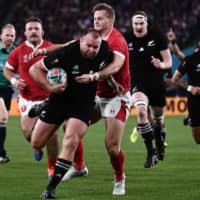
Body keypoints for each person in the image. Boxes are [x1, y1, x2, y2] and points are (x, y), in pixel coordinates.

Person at [29, 28, 115, 199]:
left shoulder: (105, 50)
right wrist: (50, 88)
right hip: (58, 100)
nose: (91, 50)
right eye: (88, 46)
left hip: (83, 104)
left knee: (71, 140)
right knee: (36, 143)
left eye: (95, 47)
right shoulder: (66, 53)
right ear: (81, 41)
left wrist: (111, 81)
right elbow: (34, 69)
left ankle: (51, 188)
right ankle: (43, 106)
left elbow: (104, 66)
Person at [3, 16, 58, 178]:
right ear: (25, 33)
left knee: (51, 134)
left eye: (36, 29)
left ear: (42, 31)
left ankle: (52, 168)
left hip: (49, 98)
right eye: (30, 29)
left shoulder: (50, 48)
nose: (33, 31)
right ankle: (37, 146)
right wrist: (14, 80)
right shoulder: (18, 51)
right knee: (29, 134)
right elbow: (7, 70)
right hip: (27, 99)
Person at [124, 11, 172, 167]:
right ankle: (150, 153)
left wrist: (161, 65)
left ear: (146, 23)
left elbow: (168, 62)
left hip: (156, 82)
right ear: (132, 24)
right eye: (135, 24)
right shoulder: (126, 39)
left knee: (158, 120)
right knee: (142, 111)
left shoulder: (158, 36)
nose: (138, 27)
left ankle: (159, 140)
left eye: (141, 23)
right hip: (137, 82)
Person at [172, 48, 200, 144]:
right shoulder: (191, 59)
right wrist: (190, 88)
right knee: (198, 139)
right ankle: (190, 118)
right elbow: (175, 79)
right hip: (195, 100)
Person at [0, 24, 16, 163]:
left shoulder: (16, 52)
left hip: (7, 90)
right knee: (2, 118)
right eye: (7, 35)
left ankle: (2, 152)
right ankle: (1, 153)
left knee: (2, 121)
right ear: (1, 36)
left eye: (12, 35)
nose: (10, 38)